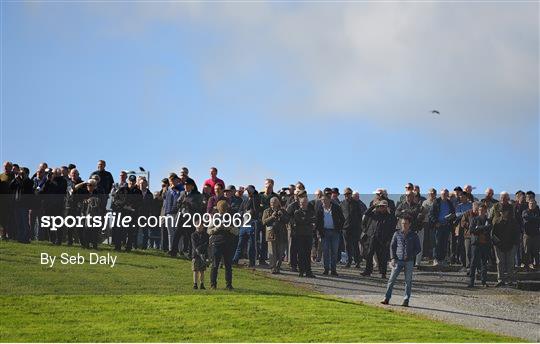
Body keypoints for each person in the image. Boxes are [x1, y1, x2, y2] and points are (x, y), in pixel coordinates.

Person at [381, 215, 421, 307]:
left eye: (406, 223)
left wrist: (411, 255)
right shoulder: (397, 234)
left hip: (409, 261)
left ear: (409, 224)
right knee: (391, 279)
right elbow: (392, 246)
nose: (404, 225)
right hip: (398, 260)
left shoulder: (414, 235)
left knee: (408, 281)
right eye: (402, 223)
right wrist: (392, 258)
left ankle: (406, 299)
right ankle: (386, 298)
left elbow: (418, 248)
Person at [361, 200, 397, 278]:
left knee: (383, 257)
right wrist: (373, 206)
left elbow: (392, 229)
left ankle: (383, 273)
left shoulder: (390, 216)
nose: (382, 208)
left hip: (383, 239)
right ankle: (368, 271)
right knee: (369, 254)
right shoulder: (375, 214)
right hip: (373, 237)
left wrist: (389, 239)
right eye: (380, 206)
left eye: (383, 206)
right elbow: (366, 213)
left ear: (387, 207)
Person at [490, 191, 520, 287]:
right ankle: (500, 279)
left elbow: (516, 233)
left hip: (510, 243)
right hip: (498, 243)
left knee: (510, 262)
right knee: (500, 262)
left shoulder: (513, 220)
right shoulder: (496, 220)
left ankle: (510, 279)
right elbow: (493, 233)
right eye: (502, 212)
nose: (504, 213)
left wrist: (515, 243)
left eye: (505, 212)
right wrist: (496, 243)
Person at [207, 200, 238, 290]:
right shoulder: (215, 218)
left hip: (228, 243)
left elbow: (236, 231)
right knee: (215, 264)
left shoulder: (231, 219)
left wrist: (230, 228)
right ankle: (213, 284)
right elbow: (208, 231)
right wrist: (217, 228)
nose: (223, 210)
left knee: (228, 265)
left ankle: (228, 285)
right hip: (217, 243)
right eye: (221, 208)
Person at [172, 177, 203, 258]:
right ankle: (173, 251)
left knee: (190, 236)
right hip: (182, 216)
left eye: (188, 185)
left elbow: (199, 207)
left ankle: (191, 254)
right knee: (177, 234)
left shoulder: (197, 195)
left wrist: (189, 203)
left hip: (190, 217)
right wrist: (180, 202)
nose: (186, 187)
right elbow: (177, 204)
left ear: (192, 186)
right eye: (185, 185)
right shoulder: (182, 193)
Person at [316, 194, 345, 276]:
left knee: (334, 251)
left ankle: (333, 270)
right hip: (324, 232)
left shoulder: (336, 208)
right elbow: (318, 221)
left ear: (329, 200)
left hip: (335, 232)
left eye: (324, 200)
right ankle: (326, 269)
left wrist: (339, 229)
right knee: (325, 251)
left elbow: (342, 219)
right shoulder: (320, 208)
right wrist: (319, 232)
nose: (323, 202)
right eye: (322, 200)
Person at [111, 175, 141, 252]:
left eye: (133, 181)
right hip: (122, 212)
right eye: (130, 181)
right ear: (128, 181)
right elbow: (116, 201)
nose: (132, 183)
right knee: (119, 230)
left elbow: (140, 203)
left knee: (131, 231)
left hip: (132, 213)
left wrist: (132, 207)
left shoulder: (138, 192)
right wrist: (124, 205)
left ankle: (129, 247)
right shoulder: (122, 189)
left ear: (135, 182)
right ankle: (118, 247)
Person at [233, 185, 259, 267]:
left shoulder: (256, 199)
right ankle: (235, 260)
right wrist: (245, 213)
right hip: (244, 224)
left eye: (250, 190)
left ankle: (252, 262)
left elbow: (256, 210)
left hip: (252, 224)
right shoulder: (245, 200)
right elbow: (239, 211)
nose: (248, 192)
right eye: (247, 191)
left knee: (251, 245)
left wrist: (253, 196)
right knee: (240, 244)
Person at [395, 191, 423, 266]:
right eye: (406, 195)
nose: (407, 197)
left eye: (409, 195)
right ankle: (400, 263)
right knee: (401, 245)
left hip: (412, 228)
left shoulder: (416, 205)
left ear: (413, 197)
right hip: (402, 228)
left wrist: (405, 211)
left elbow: (415, 212)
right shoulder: (402, 204)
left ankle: (411, 264)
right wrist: (407, 213)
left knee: (411, 246)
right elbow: (396, 213)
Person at [262, 197, 290, 274]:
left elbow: (287, 220)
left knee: (280, 252)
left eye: (274, 202)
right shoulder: (266, 211)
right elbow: (264, 222)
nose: (273, 204)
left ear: (278, 203)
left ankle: (278, 266)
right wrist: (272, 217)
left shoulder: (283, 211)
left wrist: (282, 216)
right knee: (272, 252)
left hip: (281, 234)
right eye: (271, 202)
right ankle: (273, 267)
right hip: (271, 234)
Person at [429, 188, 456, 266]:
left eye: (446, 194)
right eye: (443, 194)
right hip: (438, 225)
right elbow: (431, 214)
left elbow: (453, 213)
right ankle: (436, 259)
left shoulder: (449, 203)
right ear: (441, 194)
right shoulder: (436, 202)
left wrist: (452, 216)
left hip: (446, 225)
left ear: (447, 195)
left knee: (444, 243)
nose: (444, 195)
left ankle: (442, 259)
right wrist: (436, 222)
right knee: (437, 243)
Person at [468, 203, 491, 287]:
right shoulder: (474, 219)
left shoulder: (488, 220)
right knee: (473, 263)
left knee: (484, 263)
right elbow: (472, 230)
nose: (481, 212)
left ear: (485, 211)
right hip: (476, 244)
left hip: (485, 244)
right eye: (480, 210)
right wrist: (483, 228)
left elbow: (489, 229)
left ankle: (484, 281)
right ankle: (471, 281)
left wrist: (479, 228)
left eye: (483, 210)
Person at [291, 196, 316, 277]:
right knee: (301, 254)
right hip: (300, 235)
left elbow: (313, 220)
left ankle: (308, 271)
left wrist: (307, 221)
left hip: (308, 235)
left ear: (307, 203)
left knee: (308, 254)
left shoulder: (311, 212)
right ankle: (301, 271)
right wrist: (308, 221)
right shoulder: (297, 212)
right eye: (301, 203)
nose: (303, 204)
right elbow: (299, 221)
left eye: (305, 203)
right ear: (299, 203)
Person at [341, 187, 363, 268]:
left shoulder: (356, 203)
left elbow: (360, 216)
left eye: (349, 194)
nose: (347, 195)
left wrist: (360, 226)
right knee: (347, 245)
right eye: (346, 194)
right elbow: (340, 216)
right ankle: (348, 261)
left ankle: (357, 262)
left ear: (351, 194)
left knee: (355, 245)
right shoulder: (342, 203)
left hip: (355, 228)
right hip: (345, 228)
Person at [80, 179, 102, 249]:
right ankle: (86, 245)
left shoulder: (97, 193)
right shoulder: (84, 192)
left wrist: (92, 199)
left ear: (94, 186)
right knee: (86, 230)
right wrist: (85, 201)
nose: (88, 186)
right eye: (88, 185)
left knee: (94, 230)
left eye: (90, 185)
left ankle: (94, 245)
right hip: (85, 213)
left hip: (95, 214)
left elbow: (99, 202)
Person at [521, 199, 539, 270]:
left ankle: (537, 265)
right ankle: (526, 266)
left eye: (533, 204)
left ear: (536, 204)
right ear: (528, 204)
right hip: (527, 235)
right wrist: (535, 219)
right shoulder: (525, 211)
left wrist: (533, 219)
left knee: (536, 251)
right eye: (530, 204)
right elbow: (526, 218)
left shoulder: (538, 212)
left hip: (536, 235)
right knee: (526, 251)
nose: (532, 205)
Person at [191, 224, 209, 290]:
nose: (199, 227)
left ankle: (202, 284)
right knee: (195, 270)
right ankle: (195, 284)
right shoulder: (193, 235)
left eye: (200, 226)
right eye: (198, 226)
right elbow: (194, 245)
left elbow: (206, 244)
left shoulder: (206, 235)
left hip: (203, 254)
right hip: (195, 255)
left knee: (202, 271)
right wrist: (198, 250)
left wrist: (200, 250)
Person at [138, 177, 154, 249]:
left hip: (146, 214)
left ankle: (144, 246)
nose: (142, 185)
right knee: (136, 230)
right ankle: (135, 245)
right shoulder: (136, 192)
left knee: (145, 231)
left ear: (146, 184)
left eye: (143, 183)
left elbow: (151, 205)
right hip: (137, 214)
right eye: (141, 183)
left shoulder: (150, 194)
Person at [421, 188, 436, 260]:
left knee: (433, 239)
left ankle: (433, 255)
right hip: (426, 222)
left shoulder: (437, 201)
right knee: (426, 239)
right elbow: (423, 212)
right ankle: (426, 255)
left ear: (435, 194)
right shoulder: (425, 202)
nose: (431, 195)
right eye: (430, 194)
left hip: (434, 223)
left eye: (432, 193)